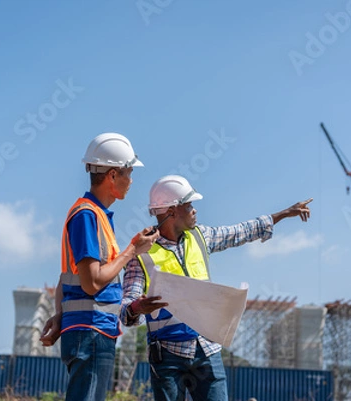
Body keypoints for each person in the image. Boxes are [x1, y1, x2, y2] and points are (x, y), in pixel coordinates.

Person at [121, 175, 312, 401]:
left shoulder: (201, 236)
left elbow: (240, 231)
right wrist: (137, 307)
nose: (195, 211)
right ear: (171, 211)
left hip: (207, 350)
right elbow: (125, 312)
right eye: (189, 205)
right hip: (168, 356)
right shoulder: (141, 253)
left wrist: (282, 214)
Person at [39, 133, 160, 401]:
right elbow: (91, 282)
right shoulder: (86, 215)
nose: (131, 181)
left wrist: (60, 316)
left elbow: (65, 279)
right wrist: (132, 250)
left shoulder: (96, 216)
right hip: (90, 331)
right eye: (129, 172)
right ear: (113, 175)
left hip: (92, 329)